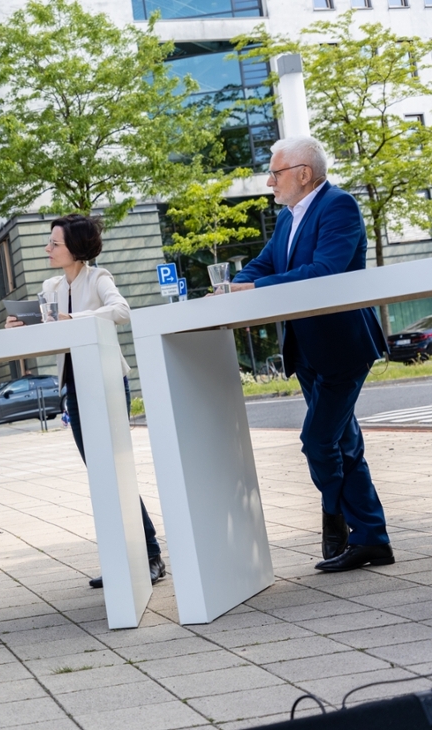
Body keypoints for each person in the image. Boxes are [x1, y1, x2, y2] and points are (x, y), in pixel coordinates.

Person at [226, 136, 391, 572]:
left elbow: (325, 270)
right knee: (344, 444)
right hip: (305, 348)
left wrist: (254, 289)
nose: (269, 181)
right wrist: (231, 288)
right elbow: (265, 264)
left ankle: (334, 516)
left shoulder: (339, 205)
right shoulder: (287, 218)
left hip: (342, 346)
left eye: (275, 173)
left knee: (318, 441)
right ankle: (372, 538)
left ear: (303, 173)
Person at [6, 214, 166, 588]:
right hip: (74, 386)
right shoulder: (51, 285)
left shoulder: (98, 278)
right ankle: (122, 559)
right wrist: (19, 325)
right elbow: (44, 325)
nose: (47, 249)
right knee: (100, 474)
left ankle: (151, 555)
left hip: (107, 382)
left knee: (115, 471)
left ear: (75, 249)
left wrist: (76, 317)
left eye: (54, 244)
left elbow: (121, 311)